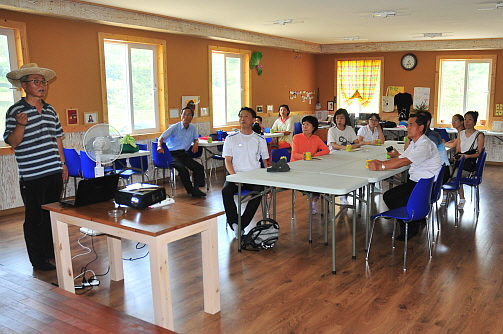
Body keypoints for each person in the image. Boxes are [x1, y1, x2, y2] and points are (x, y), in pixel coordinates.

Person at [4, 63, 68, 271]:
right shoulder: (15, 111)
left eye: (43, 82)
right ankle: (38, 260)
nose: (41, 85)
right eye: (36, 82)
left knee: (52, 213)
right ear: (24, 85)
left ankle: (51, 252)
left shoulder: (50, 109)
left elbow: (58, 138)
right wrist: (21, 124)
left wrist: (63, 163)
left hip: (53, 171)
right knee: (34, 218)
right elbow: (13, 142)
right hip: (32, 175)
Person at [368, 114, 442, 240]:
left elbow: (404, 162)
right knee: (389, 196)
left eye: (411, 125)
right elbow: (402, 158)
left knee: (397, 200)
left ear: (421, 127)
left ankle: (411, 226)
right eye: (408, 125)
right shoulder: (415, 143)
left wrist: (382, 167)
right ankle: (413, 219)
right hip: (416, 183)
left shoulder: (425, 145)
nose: (407, 127)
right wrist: (381, 163)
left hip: (425, 187)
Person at [221, 107, 269, 238]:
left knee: (259, 192)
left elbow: (265, 162)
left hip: (254, 176)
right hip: (236, 175)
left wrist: (268, 182)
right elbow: (228, 161)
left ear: (253, 120)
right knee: (226, 191)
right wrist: (234, 176)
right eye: (241, 116)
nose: (243, 119)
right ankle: (234, 223)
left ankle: (240, 225)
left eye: (246, 116)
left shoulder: (260, 139)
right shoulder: (231, 138)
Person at [157, 107, 206, 197]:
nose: (186, 117)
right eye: (184, 114)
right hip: (172, 154)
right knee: (182, 169)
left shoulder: (192, 128)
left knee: (199, 167)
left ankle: (196, 188)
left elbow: (196, 138)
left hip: (184, 154)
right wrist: (159, 146)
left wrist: (196, 143)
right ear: (181, 116)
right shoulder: (174, 127)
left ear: (192, 117)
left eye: (189, 115)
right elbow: (161, 138)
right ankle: (190, 190)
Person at [291, 115, 330, 214]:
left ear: (313, 127)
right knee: (312, 179)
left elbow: (326, 150)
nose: (304, 126)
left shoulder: (316, 138)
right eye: (303, 124)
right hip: (296, 167)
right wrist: (302, 157)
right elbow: (294, 154)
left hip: (311, 166)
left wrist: (315, 155)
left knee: (318, 178)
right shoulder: (296, 137)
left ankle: (314, 201)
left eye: (308, 124)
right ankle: (314, 197)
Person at [454, 111, 485, 209]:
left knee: (455, 175)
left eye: (470, 119)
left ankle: (462, 199)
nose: (467, 121)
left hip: (469, 164)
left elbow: (480, 153)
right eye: (465, 119)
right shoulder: (461, 133)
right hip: (460, 161)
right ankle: (445, 197)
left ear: (475, 122)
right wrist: (457, 156)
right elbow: (458, 150)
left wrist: (467, 156)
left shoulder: (479, 135)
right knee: (445, 171)